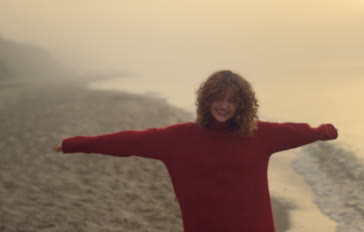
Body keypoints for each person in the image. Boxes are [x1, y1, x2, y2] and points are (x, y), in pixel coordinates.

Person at [53, 70, 338, 232]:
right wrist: (74, 144)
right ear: (206, 100)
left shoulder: (259, 134)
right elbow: (128, 142)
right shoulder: (178, 138)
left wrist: (323, 131)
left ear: (242, 105)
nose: (224, 105)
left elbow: (297, 131)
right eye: (218, 98)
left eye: (232, 100)